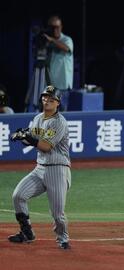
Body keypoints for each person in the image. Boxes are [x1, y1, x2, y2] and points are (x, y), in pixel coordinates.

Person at [8, 85, 72, 250]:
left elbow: (45, 146)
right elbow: (31, 137)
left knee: (57, 214)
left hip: (58, 169)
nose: (47, 100)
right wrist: (21, 136)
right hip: (40, 168)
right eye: (45, 97)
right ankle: (26, 232)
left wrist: (28, 138)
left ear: (58, 102)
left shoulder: (59, 122)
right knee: (18, 195)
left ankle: (63, 239)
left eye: (51, 99)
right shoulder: (37, 118)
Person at [45, 15, 74, 111]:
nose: (55, 30)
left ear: (61, 27)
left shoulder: (66, 39)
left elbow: (66, 48)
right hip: (49, 83)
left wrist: (52, 40)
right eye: (52, 27)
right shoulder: (47, 42)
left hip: (62, 85)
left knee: (61, 112)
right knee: (48, 112)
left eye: (57, 27)